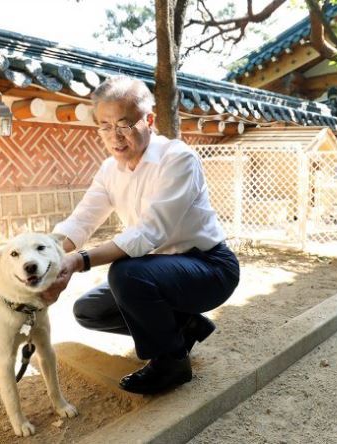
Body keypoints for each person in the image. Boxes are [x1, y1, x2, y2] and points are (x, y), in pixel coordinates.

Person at [43, 75, 240, 395]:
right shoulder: (110, 170)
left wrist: (78, 261)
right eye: (105, 126)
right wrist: (44, 256)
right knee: (89, 310)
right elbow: (80, 222)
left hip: (209, 267)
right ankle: (184, 326)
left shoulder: (177, 159)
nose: (115, 136)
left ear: (148, 119)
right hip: (158, 269)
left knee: (126, 274)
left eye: (123, 124)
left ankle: (171, 362)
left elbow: (149, 232)